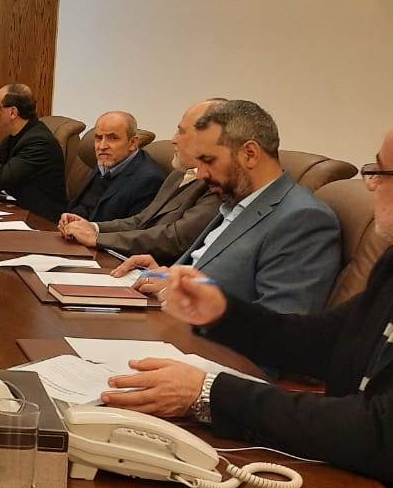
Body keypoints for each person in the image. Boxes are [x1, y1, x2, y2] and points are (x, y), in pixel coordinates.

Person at [100, 105, 393, 488]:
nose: (371, 186)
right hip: (347, 483)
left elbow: (387, 433)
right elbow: (321, 340)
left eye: (378, 172)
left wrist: (208, 393)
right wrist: (223, 312)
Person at [114, 100, 341, 322]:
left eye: (208, 160)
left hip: (199, 342)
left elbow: (281, 327)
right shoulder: (234, 201)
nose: (201, 174)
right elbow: (210, 273)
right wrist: (171, 277)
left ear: (250, 154)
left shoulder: (303, 219)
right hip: (169, 319)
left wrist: (183, 297)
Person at [58, 99, 223, 263]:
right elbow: (142, 220)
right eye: (98, 138)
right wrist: (93, 227)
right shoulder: (177, 175)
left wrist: (97, 238)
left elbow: (174, 239)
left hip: (156, 268)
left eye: (182, 132)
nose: (174, 139)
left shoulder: (217, 185)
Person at [0, 83, 66, 221]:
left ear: (13, 112)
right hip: (18, 211)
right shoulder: (15, 137)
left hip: (41, 221)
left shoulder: (38, 142)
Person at [66, 111, 167, 222]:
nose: (102, 146)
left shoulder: (149, 180)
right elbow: (87, 204)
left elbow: (134, 228)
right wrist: (71, 219)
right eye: (98, 138)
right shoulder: (107, 161)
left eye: (113, 138)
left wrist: (88, 227)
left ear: (132, 143)